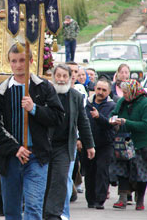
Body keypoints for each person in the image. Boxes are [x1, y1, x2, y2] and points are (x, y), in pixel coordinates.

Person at [0, 43, 65, 220]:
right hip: (10, 158)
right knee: (12, 211)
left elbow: (58, 117)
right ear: (9, 63)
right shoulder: (1, 91)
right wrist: (15, 148)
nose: (18, 65)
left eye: (22, 60)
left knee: (33, 207)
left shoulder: (43, 87)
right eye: (14, 61)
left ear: (30, 61)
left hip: (37, 157)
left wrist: (35, 109)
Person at [44, 64, 95, 220]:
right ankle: (41, 212)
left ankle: (53, 214)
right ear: (53, 77)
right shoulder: (46, 94)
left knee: (60, 179)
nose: (61, 79)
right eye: (58, 76)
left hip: (64, 146)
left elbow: (83, 122)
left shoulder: (76, 97)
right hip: (45, 144)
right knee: (44, 179)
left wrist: (90, 145)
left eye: (64, 76)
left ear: (70, 78)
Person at [110, 79, 147, 210]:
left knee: (141, 172)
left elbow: (146, 125)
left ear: (133, 92)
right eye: (123, 92)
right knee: (122, 169)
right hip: (124, 142)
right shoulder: (122, 102)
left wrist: (126, 122)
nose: (124, 95)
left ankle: (140, 199)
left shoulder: (145, 103)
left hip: (141, 143)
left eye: (126, 92)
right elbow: (114, 114)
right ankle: (122, 198)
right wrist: (113, 120)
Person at [84, 78, 116, 209]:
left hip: (105, 144)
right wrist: (80, 140)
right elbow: (81, 122)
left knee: (102, 171)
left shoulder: (112, 106)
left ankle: (100, 200)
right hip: (89, 144)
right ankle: (90, 199)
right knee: (90, 171)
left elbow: (110, 124)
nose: (100, 92)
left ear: (109, 92)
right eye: (98, 89)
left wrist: (99, 117)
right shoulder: (87, 104)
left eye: (104, 90)